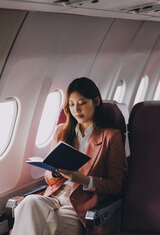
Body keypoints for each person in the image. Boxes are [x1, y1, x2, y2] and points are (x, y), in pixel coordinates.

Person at [12, 77, 126, 235]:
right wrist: (54, 172)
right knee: (29, 203)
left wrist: (84, 180)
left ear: (96, 101)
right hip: (53, 197)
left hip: (78, 207)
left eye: (82, 103)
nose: (76, 110)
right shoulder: (61, 132)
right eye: (71, 105)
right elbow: (48, 178)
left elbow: (115, 186)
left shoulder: (110, 137)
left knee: (45, 227)